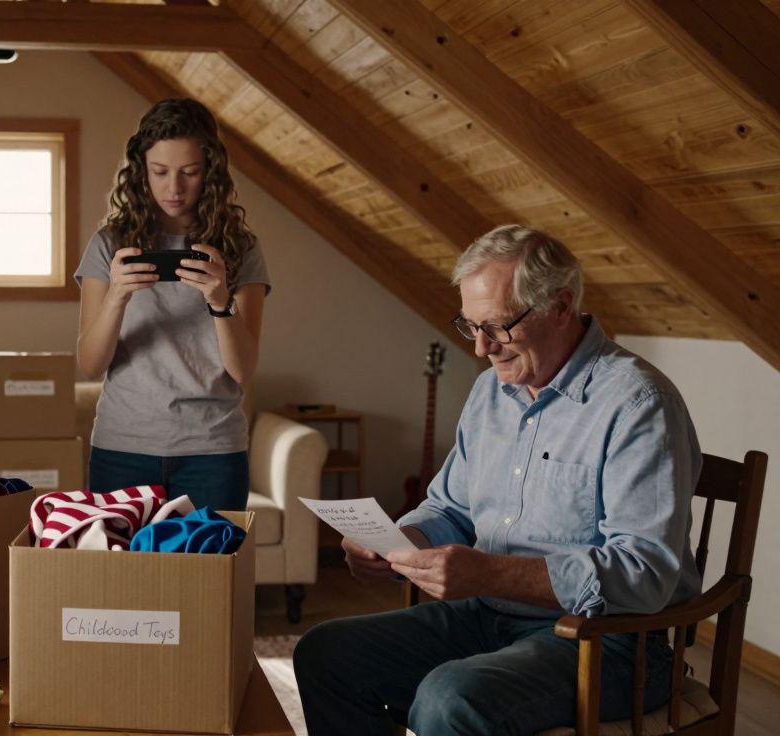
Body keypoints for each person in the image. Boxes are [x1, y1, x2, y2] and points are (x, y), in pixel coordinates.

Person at [294, 225, 703, 734]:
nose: (482, 347)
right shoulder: (491, 391)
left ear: (560, 305)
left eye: (498, 326)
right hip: (489, 617)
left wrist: (487, 574)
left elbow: (644, 574)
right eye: (470, 326)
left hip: (609, 642)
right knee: (326, 653)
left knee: (449, 700)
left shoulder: (638, 403)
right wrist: (399, 545)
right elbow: (449, 507)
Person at [75, 98, 270, 511]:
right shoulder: (109, 244)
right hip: (121, 449)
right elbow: (90, 364)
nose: (174, 189)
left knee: (208, 577)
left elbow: (244, 370)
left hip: (213, 453)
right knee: (118, 577)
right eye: (160, 172)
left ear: (210, 172)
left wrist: (219, 302)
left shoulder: (240, 247)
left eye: (190, 173)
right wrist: (116, 297)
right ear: (140, 170)